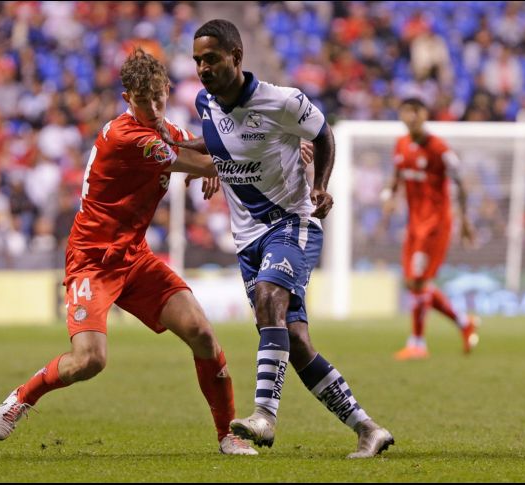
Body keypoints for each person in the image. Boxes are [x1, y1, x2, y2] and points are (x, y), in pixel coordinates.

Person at [0, 48, 256, 456]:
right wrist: (244, 160)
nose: (152, 107)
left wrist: (231, 152)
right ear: (127, 99)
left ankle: (227, 435)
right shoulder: (127, 136)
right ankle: (22, 397)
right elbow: (203, 163)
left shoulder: (164, 128)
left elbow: (203, 149)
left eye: (158, 97)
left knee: (202, 332)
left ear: (167, 90)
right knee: (90, 361)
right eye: (142, 100)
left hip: (134, 257)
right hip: (91, 261)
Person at [162, 19, 394, 459]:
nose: (202, 68)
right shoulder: (204, 102)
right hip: (247, 239)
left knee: (271, 297)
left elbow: (322, 134)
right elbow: (220, 143)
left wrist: (321, 184)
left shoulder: (283, 101)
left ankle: (264, 416)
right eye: (197, 61)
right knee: (296, 343)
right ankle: (367, 429)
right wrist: (207, 163)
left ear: (236, 55)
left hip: (291, 221)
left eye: (210, 58)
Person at [381, 97, 480, 360]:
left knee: (419, 280)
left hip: (435, 224)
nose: (411, 116)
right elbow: (397, 174)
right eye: (406, 111)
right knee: (413, 283)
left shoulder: (439, 148)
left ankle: (417, 343)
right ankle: (463, 322)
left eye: (416, 111)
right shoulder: (401, 145)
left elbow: (460, 182)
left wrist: (466, 220)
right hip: (414, 224)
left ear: (425, 114)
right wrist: (390, 198)